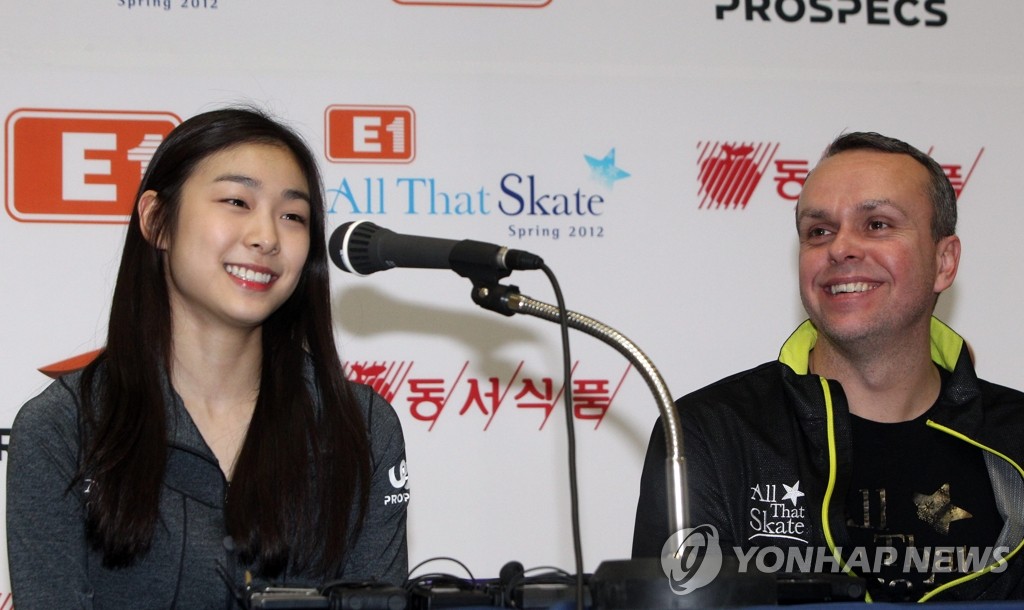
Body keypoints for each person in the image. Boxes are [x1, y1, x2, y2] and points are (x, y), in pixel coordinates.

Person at [6, 107, 409, 608]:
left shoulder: (359, 426)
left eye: (292, 216)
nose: (266, 237)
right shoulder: (62, 428)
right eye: (237, 201)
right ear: (157, 220)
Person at [633, 132, 1024, 602]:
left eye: (877, 224)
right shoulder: (709, 434)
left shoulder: (1015, 436)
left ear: (944, 261)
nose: (840, 248)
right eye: (819, 231)